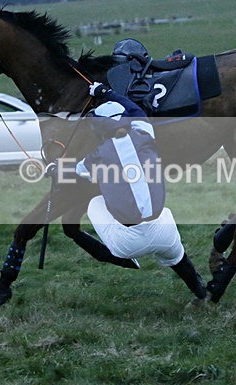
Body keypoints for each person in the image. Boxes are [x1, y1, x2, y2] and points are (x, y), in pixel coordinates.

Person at [56, 82, 207, 302]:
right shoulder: (144, 133)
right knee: (178, 257)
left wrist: (52, 169)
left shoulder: (98, 154)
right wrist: (107, 92)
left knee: (94, 202)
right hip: (162, 231)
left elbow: (71, 172)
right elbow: (136, 110)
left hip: (126, 244)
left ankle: (121, 258)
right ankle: (201, 293)